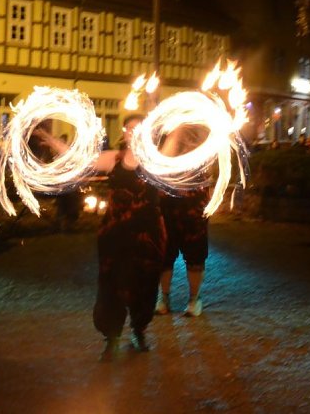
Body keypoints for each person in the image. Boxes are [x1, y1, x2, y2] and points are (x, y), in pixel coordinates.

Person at [37, 114, 166, 361]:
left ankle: (139, 330)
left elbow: (179, 155)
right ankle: (112, 338)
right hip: (116, 234)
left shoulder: (156, 161)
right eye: (129, 128)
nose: (132, 132)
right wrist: (51, 140)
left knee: (144, 285)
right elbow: (80, 158)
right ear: (124, 133)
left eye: (138, 129)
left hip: (147, 235)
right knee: (112, 285)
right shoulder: (113, 159)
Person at [155, 126, 211, 317]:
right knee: (164, 257)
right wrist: (175, 134)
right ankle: (164, 297)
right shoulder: (167, 143)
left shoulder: (202, 143)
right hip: (167, 208)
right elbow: (160, 164)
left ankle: (195, 299)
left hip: (193, 210)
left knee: (195, 257)